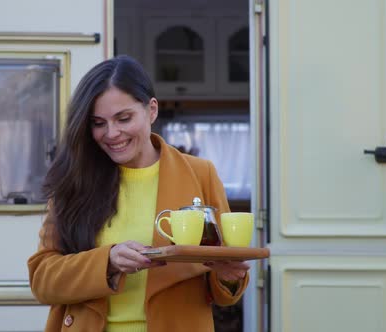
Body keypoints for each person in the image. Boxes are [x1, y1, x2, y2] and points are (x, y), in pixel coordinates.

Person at [27, 55, 250, 332]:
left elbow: (223, 288)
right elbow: (42, 281)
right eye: (98, 123)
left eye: (124, 118)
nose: (112, 133)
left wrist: (228, 277)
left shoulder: (200, 173)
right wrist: (107, 262)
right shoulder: (74, 181)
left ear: (151, 110)